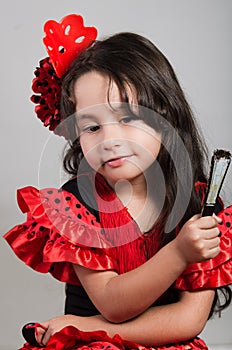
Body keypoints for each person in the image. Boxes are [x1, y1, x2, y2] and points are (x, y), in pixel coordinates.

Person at [4, 14, 232, 350]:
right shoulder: (75, 204)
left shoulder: (199, 205)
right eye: (92, 127)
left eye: (127, 118)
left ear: (164, 118)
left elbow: (188, 320)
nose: (109, 140)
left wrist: (80, 326)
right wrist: (180, 252)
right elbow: (113, 304)